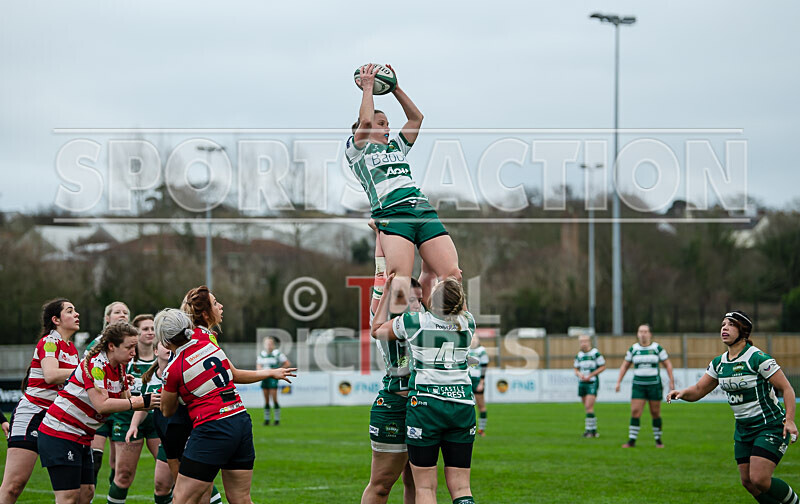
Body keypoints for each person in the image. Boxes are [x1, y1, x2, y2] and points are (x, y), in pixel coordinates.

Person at [348, 63, 462, 312]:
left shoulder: (396, 147)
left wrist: (396, 88)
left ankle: (438, 325)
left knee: (452, 275)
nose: (387, 127)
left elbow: (416, 118)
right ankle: (401, 341)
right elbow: (365, 122)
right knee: (399, 280)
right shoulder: (356, 151)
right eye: (382, 123)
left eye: (387, 123)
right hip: (392, 214)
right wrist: (368, 88)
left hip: (421, 209)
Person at [157, 308, 295, 504]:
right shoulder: (210, 345)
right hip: (240, 420)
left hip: (212, 428)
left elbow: (167, 410)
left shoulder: (173, 369)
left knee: (182, 499)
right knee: (240, 499)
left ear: (164, 340)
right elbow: (234, 374)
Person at [667, 311, 798, 503]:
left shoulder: (757, 358)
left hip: (769, 425)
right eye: (722, 325)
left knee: (759, 479)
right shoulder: (719, 363)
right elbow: (698, 389)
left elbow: (787, 389)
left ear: (743, 330)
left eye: (730, 324)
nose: (724, 328)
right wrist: (682, 393)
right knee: (748, 482)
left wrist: (791, 420)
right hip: (743, 430)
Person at [372, 275, 477, 504]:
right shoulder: (468, 322)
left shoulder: (415, 322)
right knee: (461, 487)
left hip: (427, 406)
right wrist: (452, 280)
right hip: (463, 406)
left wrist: (388, 289)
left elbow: (377, 330)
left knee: (426, 487)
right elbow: (457, 305)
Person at [36, 321, 160, 504]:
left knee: (87, 493)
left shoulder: (119, 366)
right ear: (112, 346)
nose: (134, 352)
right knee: (68, 497)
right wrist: (141, 401)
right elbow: (102, 405)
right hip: (61, 433)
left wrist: (153, 399)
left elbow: (125, 400)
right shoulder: (95, 365)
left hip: (82, 436)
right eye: (129, 347)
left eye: (135, 347)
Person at [0, 299, 81, 503]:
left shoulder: (72, 349)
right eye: (70, 311)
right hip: (33, 415)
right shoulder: (49, 342)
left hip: (59, 420)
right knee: (13, 486)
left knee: (76, 492)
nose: (77, 314)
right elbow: (51, 375)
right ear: (56, 320)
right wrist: (85, 371)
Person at [361, 258, 419, 504]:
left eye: (419, 299)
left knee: (417, 481)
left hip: (423, 407)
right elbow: (381, 274)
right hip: (394, 405)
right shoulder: (386, 321)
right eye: (410, 300)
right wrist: (380, 233)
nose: (416, 305)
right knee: (382, 484)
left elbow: (429, 274)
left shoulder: (426, 322)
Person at [107, 314, 161, 504]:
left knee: (169, 474)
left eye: (153, 328)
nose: (150, 332)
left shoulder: (163, 357)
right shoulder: (125, 360)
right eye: (145, 329)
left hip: (156, 420)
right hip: (127, 419)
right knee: (123, 475)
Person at [85, 301, 131, 485]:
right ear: (107, 318)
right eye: (117, 312)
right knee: (95, 460)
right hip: (101, 405)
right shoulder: (96, 344)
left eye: (125, 312)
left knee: (118, 466)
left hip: (121, 408)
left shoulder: (130, 343)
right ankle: (87, 494)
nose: (122, 315)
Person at [127, 340, 175, 504]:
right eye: (164, 344)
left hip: (186, 434)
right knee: (161, 486)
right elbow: (144, 405)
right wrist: (134, 425)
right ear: (155, 351)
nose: (168, 347)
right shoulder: (150, 378)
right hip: (168, 437)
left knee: (194, 482)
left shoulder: (181, 370)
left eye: (171, 343)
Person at [615, 323, 675, 448]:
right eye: (640, 331)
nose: (642, 334)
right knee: (635, 412)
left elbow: (667, 364)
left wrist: (671, 381)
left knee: (655, 413)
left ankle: (658, 440)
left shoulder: (657, 348)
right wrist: (618, 381)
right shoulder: (633, 349)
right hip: (638, 386)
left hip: (654, 385)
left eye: (645, 331)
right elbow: (625, 366)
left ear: (650, 334)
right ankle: (631, 441)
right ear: (637, 334)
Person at [574, 334, 606, 438]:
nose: (583, 343)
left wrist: (591, 375)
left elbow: (603, 366)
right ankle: (593, 431)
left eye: (585, 341)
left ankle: (589, 431)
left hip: (592, 382)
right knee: (587, 408)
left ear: (589, 342)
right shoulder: (579, 355)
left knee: (589, 406)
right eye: (581, 342)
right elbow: (576, 369)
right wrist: (580, 375)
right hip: (582, 383)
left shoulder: (595, 353)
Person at [256, 336, 291, 426]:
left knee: (274, 399)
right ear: (264, 345)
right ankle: (267, 419)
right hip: (264, 378)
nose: (269, 345)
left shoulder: (277, 354)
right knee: (266, 400)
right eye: (267, 344)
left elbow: (287, 363)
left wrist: (278, 371)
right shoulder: (261, 355)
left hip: (272, 378)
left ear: (274, 345)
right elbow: (258, 366)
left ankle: (276, 420)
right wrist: (262, 372)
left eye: (271, 344)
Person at [468, 335, 490, 437]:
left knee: (481, 406)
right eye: (472, 338)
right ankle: (467, 428)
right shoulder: (465, 349)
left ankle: (481, 430)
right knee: (466, 406)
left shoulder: (481, 350)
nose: (473, 340)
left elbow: (484, 366)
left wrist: (482, 382)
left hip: (477, 380)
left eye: (475, 338)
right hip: (466, 380)